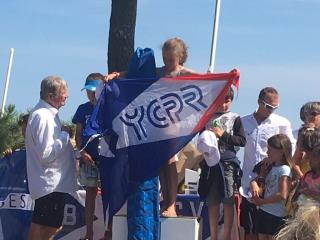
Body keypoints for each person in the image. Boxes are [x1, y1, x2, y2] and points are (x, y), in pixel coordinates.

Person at [240, 87, 295, 240]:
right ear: (259, 102)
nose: (272, 110)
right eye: (268, 106)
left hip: (271, 183)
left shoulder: (282, 122)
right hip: (249, 181)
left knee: (271, 233)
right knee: (249, 228)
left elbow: (291, 146)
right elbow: (234, 144)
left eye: (275, 107)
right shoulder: (243, 121)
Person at [25, 76, 77, 240]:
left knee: (47, 226)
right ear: (50, 96)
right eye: (63, 93)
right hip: (50, 184)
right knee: (46, 228)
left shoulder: (45, 115)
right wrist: (64, 136)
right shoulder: (44, 117)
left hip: (50, 184)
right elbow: (46, 154)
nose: (67, 96)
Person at [157, 37, 198, 217]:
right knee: (161, 164)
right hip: (157, 124)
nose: (167, 63)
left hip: (175, 124)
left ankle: (171, 204)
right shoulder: (159, 72)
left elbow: (206, 79)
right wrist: (118, 75)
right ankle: (165, 201)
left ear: (180, 57)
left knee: (170, 162)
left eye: (171, 60)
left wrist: (228, 77)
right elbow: (136, 74)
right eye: (165, 59)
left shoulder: (183, 73)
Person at [204, 88, 246, 240]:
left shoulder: (235, 118)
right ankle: (214, 236)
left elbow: (241, 141)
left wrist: (223, 135)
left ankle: (227, 235)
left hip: (228, 163)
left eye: (227, 101)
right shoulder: (207, 117)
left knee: (228, 200)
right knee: (213, 201)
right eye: (221, 100)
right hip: (210, 163)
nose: (224, 104)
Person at [72, 73, 104, 240]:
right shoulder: (82, 109)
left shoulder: (109, 108)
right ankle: (89, 233)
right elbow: (78, 134)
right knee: (90, 194)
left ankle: (109, 231)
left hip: (106, 159)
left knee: (108, 194)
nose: (90, 95)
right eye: (88, 91)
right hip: (88, 159)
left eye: (93, 91)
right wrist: (82, 152)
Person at [250, 134, 293, 240]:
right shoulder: (270, 167)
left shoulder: (285, 169)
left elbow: (282, 194)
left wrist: (261, 202)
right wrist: (256, 182)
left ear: (281, 151)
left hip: (276, 216)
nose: (267, 152)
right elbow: (258, 184)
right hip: (263, 212)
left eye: (270, 149)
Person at [292, 101, 320, 178]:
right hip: (304, 178)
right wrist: (304, 179)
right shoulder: (295, 134)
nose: (309, 117)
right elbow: (293, 161)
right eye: (306, 114)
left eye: (314, 114)